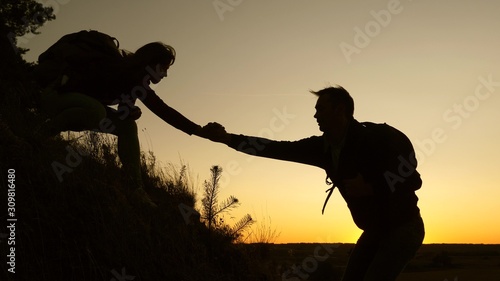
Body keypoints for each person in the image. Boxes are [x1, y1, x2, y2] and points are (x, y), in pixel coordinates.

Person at [199, 86, 425, 280]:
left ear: (340, 109)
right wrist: (228, 139)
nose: (315, 116)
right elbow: (277, 148)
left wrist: (371, 187)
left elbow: (412, 179)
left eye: (320, 109)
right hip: (376, 230)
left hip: (404, 228)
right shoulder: (322, 148)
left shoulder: (372, 139)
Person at [38, 42, 205, 208]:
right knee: (97, 112)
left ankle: (135, 189)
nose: (165, 74)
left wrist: (130, 112)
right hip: (54, 97)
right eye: (164, 68)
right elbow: (163, 110)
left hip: (76, 105)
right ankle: (38, 135)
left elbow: (155, 110)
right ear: (151, 64)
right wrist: (200, 131)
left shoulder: (136, 81)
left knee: (127, 127)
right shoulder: (118, 67)